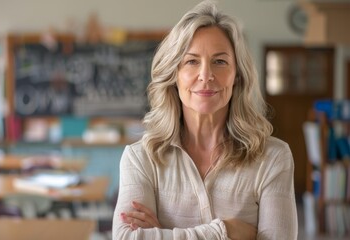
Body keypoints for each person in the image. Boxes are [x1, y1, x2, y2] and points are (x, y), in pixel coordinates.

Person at [112, 0, 298, 239]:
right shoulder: (140, 159)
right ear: (174, 75)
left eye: (219, 61)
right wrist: (225, 231)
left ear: (237, 76)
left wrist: (163, 233)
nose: (206, 75)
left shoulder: (273, 158)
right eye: (191, 61)